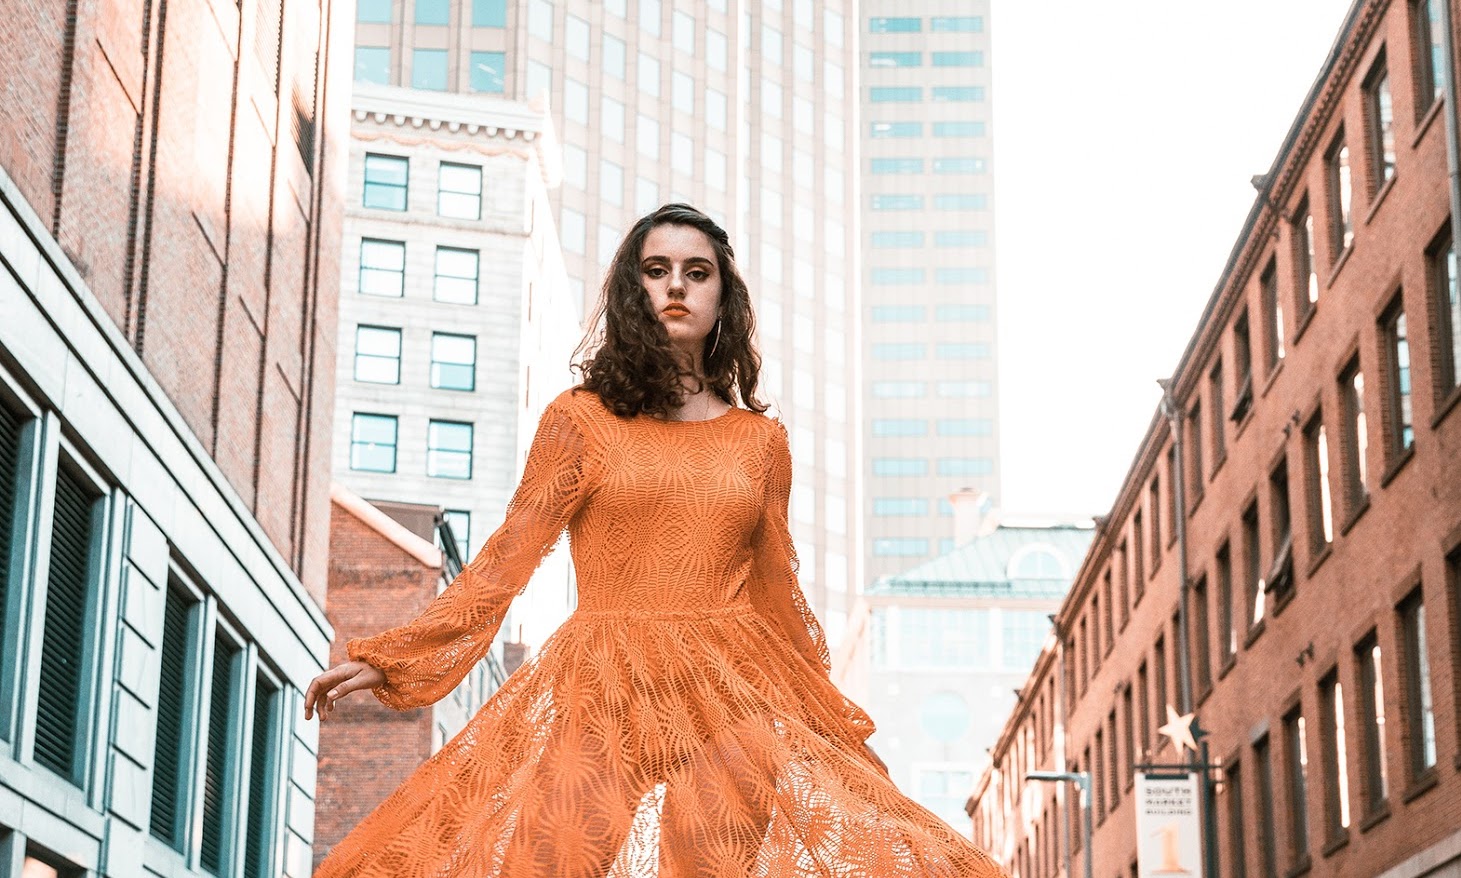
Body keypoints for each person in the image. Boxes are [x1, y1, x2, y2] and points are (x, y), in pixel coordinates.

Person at [308, 204, 1005, 877]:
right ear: (632, 289)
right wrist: (396, 657)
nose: (676, 285)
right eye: (657, 268)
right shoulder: (580, 419)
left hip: (734, 701)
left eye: (697, 272)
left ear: (723, 298)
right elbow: (506, 557)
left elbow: (776, 592)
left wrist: (828, 723)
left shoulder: (761, 442)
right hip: (606, 688)